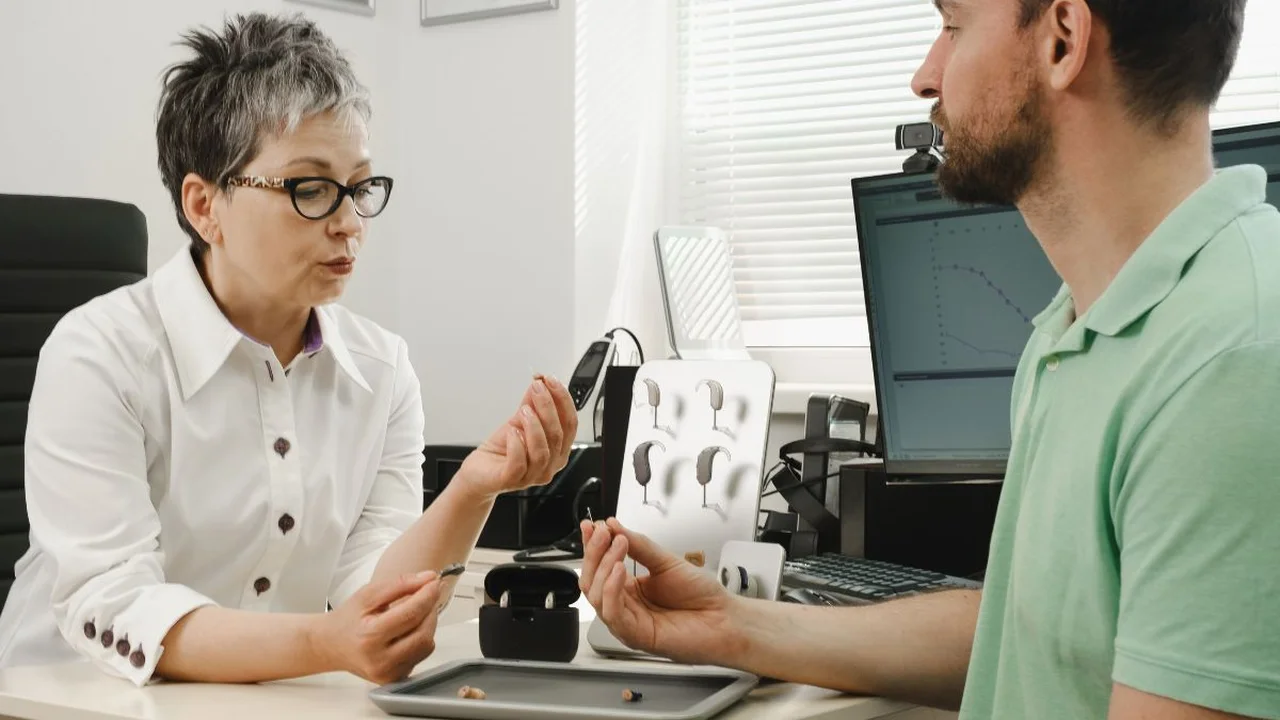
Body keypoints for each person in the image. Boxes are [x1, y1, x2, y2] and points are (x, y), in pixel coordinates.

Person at [580, 0, 1280, 718]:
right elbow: (1025, 634)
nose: (924, 76)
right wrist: (731, 625)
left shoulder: (1233, 362)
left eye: (954, 26)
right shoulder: (1073, 330)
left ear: (1063, 38)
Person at [0, 12, 578, 688]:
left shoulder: (381, 368)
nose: (349, 222)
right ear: (204, 204)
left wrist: (477, 486)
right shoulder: (99, 354)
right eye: (310, 188)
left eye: (360, 187)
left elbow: (376, 591)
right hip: (66, 700)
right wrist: (325, 642)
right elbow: (119, 603)